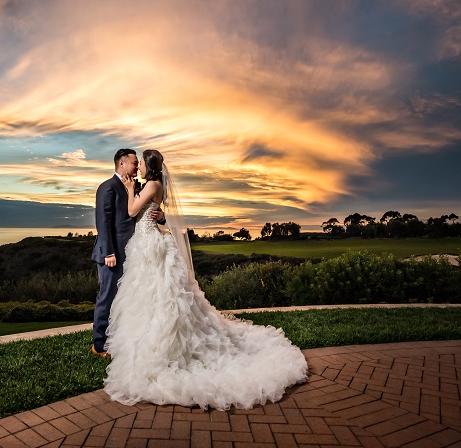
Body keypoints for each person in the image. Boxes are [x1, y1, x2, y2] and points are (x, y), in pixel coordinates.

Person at [104, 149, 308, 411]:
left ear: (149, 166)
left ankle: (163, 349)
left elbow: (133, 211)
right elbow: (155, 210)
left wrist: (131, 189)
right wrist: (160, 213)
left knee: (161, 294)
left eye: (141, 162)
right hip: (148, 244)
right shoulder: (156, 184)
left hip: (151, 246)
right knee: (149, 295)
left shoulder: (152, 184)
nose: (139, 166)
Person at [91, 148, 164, 358]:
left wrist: (161, 216)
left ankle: (117, 338)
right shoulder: (108, 187)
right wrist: (109, 253)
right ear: (122, 164)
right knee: (107, 296)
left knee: (125, 298)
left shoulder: (138, 185)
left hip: (135, 252)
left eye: (138, 163)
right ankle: (99, 344)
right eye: (134, 162)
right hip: (112, 254)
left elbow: (145, 209)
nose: (136, 166)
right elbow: (102, 223)